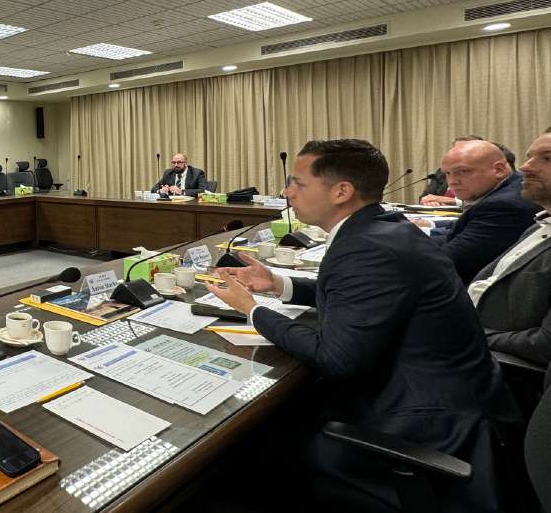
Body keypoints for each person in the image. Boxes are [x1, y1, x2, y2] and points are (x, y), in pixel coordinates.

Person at [208, 139, 518, 512]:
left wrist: (252, 310)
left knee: (245, 441)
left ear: (341, 191)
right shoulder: (380, 227)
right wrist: (278, 284)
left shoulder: (365, 247)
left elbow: (336, 359)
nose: (287, 192)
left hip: (424, 420)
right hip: (452, 392)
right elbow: (365, 294)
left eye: (298, 183)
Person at [470, 127, 551, 370]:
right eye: (529, 156)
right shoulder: (537, 228)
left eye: (547, 158)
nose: (525, 166)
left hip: (506, 368)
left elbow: (544, 344)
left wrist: (473, 335)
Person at [422, 139, 539, 283]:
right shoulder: (509, 189)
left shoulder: (503, 206)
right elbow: (462, 234)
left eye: (462, 171)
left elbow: (446, 261)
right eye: (448, 173)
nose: (452, 181)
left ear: (499, 170)